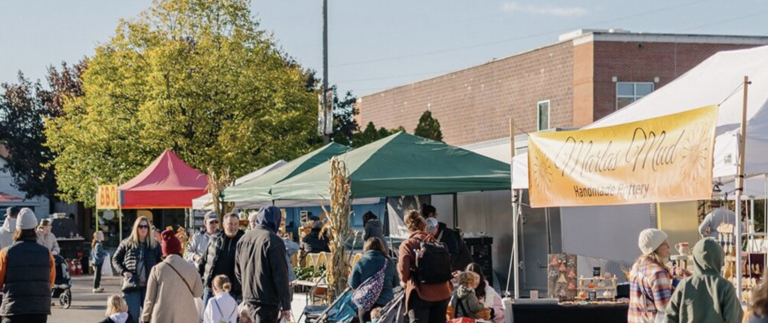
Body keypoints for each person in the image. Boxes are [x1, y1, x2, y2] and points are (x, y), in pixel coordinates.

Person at [663, 238, 742, 323]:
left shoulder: (685, 285)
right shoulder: (725, 286)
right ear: (719, 259)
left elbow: (669, 317)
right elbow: (734, 318)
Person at [236, 206, 291, 323]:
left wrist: (248, 288)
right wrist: (286, 305)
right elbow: (280, 275)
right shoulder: (274, 241)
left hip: (248, 299)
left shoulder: (243, 239)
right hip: (267, 302)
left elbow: (238, 272)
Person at [0, 208, 56, 323]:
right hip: (39, 310)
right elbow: (50, 281)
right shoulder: (47, 253)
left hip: (13, 309)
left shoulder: (6, 253)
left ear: (17, 229)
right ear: (35, 229)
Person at [398, 210, 453, 323]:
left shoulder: (408, 244)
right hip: (443, 292)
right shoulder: (436, 242)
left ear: (408, 227)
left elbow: (404, 270)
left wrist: (403, 281)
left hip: (421, 293)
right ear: (424, 226)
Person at [142, 230, 203, 323]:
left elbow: (149, 299)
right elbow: (198, 293)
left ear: (164, 250)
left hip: (162, 317)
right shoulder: (191, 268)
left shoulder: (157, 269)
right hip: (187, 317)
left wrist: (145, 318)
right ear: (179, 248)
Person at [112, 216, 162, 321]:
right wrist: (124, 271)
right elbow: (115, 259)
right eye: (140, 226)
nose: (143, 229)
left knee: (150, 316)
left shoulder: (155, 245)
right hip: (132, 285)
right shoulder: (127, 243)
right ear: (136, 228)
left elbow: (160, 263)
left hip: (149, 286)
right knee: (132, 316)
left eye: (146, 226)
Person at [199, 212, 245, 316]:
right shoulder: (215, 238)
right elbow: (204, 260)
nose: (233, 227)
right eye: (230, 224)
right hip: (211, 288)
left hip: (234, 290)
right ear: (223, 225)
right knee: (206, 318)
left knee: (230, 319)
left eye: (235, 224)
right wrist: (200, 280)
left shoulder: (244, 241)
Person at [628, 229, 674, 323]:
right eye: (665, 244)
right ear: (656, 248)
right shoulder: (658, 272)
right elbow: (665, 307)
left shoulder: (636, 267)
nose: (669, 246)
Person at [349, 237, 400, 323]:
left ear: (366, 248)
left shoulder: (361, 262)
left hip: (366, 304)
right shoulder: (388, 262)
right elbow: (395, 283)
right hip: (385, 304)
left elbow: (353, 284)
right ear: (381, 247)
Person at [421, 204, 473, 271]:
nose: (427, 233)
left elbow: (453, 257)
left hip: (464, 272)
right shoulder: (429, 238)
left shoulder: (449, 235)